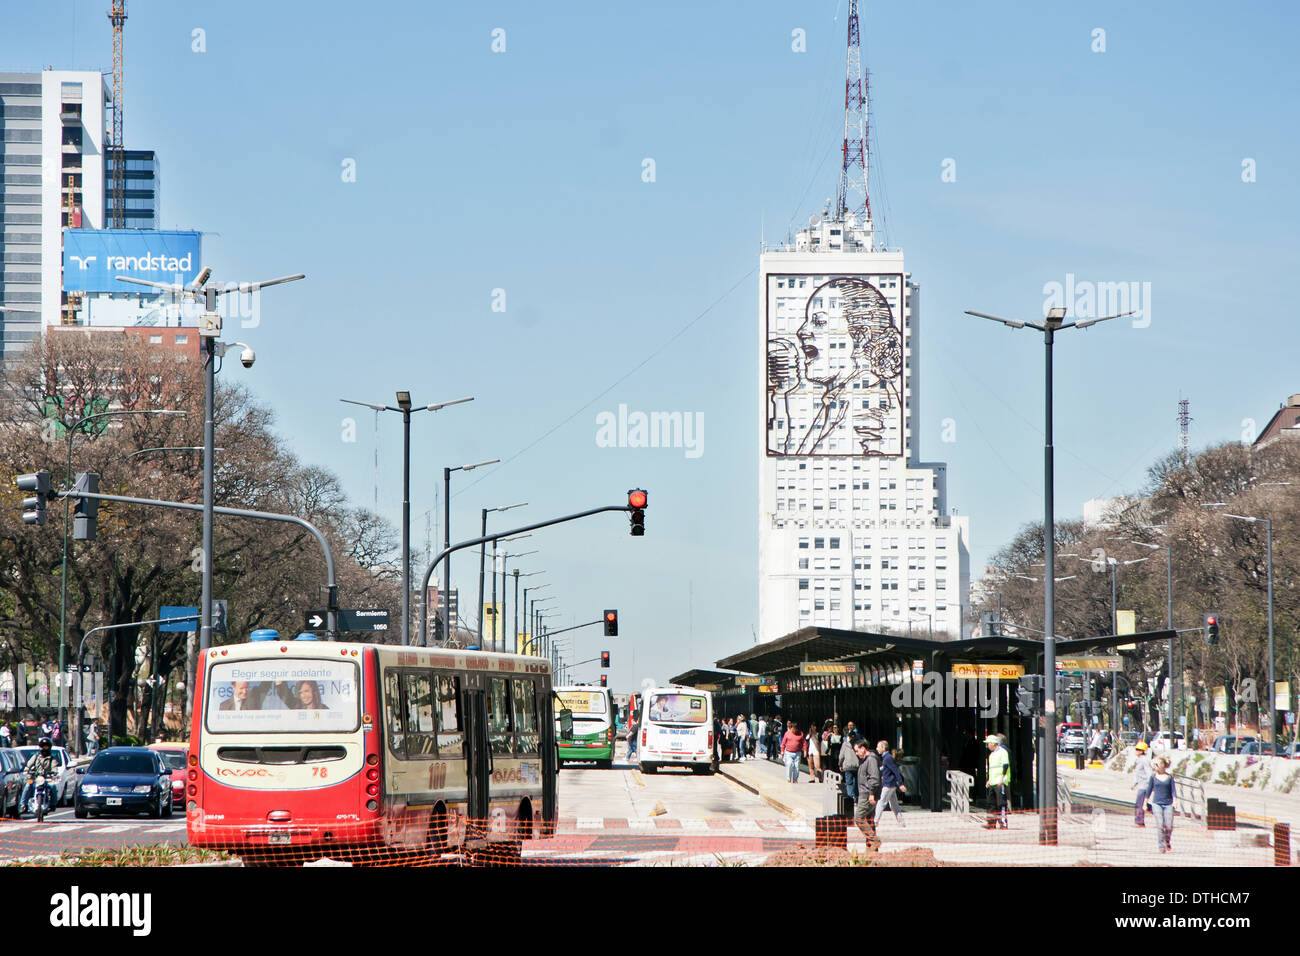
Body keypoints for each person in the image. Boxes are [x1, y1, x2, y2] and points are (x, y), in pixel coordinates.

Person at [1141, 756, 1176, 852]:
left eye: (1157, 764)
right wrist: (1145, 803)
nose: (1155, 767)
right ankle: (1161, 846)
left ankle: (1167, 840)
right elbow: (1148, 790)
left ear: (1163, 766)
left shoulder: (1169, 777)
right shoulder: (1153, 777)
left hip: (1168, 804)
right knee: (1160, 825)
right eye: (1154, 765)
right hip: (1157, 804)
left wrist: (1175, 801)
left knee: (1168, 826)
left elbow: (1173, 791)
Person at [853, 738, 882, 846]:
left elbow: (874, 778)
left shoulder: (871, 760)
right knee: (869, 819)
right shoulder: (866, 760)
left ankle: (874, 840)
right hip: (866, 793)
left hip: (867, 794)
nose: (856, 753)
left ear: (863, 749)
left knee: (859, 818)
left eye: (857, 751)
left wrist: (871, 794)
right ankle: (871, 845)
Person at [21, 738, 59, 815]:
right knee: (28, 786)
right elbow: (28, 765)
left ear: (49, 747)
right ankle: (23, 804)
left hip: (46, 778)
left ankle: (53, 804)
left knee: (53, 786)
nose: (44, 748)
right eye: (43, 746)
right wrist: (27, 770)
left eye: (46, 747)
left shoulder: (52, 759)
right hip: (36, 778)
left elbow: (54, 767)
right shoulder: (35, 757)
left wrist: (54, 772)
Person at [875, 742, 907, 829]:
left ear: (883, 748)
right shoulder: (886, 758)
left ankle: (875, 822)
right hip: (890, 784)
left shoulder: (887, 758)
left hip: (888, 784)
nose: (877, 748)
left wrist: (900, 784)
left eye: (878, 747)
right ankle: (901, 822)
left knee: (881, 802)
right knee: (894, 805)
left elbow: (895, 771)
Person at [984, 734, 1010, 829]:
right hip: (992, 782)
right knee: (991, 804)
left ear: (993, 743)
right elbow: (991, 769)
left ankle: (1003, 823)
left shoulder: (1002, 752)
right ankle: (991, 823)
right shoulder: (991, 755)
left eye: (988, 743)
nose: (987, 746)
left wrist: (1002, 779)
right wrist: (989, 780)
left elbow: (1005, 766)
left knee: (1001, 803)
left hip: (999, 782)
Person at [1131, 740, 1152, 827]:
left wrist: (1151, 785)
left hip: (1144, 786)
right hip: (1140, 785)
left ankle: (1140, 821)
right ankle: (1158, 811)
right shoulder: (1138, 760)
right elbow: (1137, 774)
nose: (1137, 751)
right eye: (1136, 749)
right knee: (1142, 803)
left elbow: (1149, 773)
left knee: (1140, 804)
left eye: (1139, 749)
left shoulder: (1144, 760)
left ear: (1143, 751)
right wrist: (1134, 784)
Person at [839, 723, 860, 804]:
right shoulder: (858, 745)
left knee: (849, 782)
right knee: (856, 782)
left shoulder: (845, 744)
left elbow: (841, 756)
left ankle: (850, 798)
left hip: (847, 766)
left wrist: (840, 764)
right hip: (856, 766)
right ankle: (856, 798)